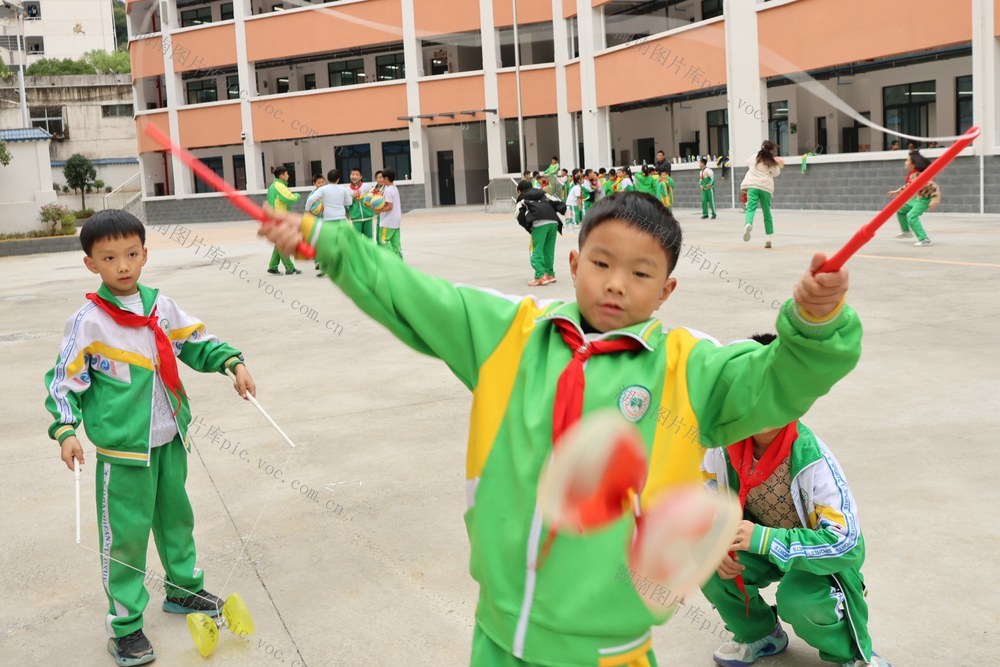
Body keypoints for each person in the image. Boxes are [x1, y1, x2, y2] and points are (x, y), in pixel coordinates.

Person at [259, 191, 860, 666]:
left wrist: (816, 321)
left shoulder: (689, 366)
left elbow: (778, 378)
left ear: (667, 289)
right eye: (601, 263)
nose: (616, 283)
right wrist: (328, 243)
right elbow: (418, 296)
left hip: (606, 648)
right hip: (497, 633)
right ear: (574, 264)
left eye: (640, 273)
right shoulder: (511, 334)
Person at [45, 211, 256, 667]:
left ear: (145, 254)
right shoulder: (88, 323)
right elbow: (64, 382)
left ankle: (183, 590)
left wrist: (231, 363)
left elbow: (195, 341)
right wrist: (65, 430)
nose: (122, 265)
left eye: (131, 254)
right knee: (125, 538)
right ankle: (124, 626)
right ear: (91, 264)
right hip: (123, 453)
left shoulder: (161, 306)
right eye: (109, 257)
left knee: (177, 518)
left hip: (169, 439)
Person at [701, 334, 890, 667]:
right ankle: (760, 633)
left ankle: (851, 654)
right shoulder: (720, 449)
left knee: (799, 600)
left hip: (814, 555)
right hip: (756, 544)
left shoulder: (813, 461)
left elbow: (845, 541)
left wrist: (764, 538)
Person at [516, 179, 566, 285]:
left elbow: (519, 216)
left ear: (519, 191)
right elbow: (556, 201)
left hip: (539, 223)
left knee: (535, 250)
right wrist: (563, 210)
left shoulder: (521, 199)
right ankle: (550, 274)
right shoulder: (542, 193)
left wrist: (529, 227)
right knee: (548, 250)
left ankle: (540, 276)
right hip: (553, 222)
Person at [887, 150, 939, 247]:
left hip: (924, 200)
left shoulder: (919, 175)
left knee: (911, 216)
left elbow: (934, 188)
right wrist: (897, 191)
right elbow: (909, 185)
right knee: (900, 210)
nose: (905, 162)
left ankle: (924, 239)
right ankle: (906, 231)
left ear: (913, 164)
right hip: (916, 198)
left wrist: (934, 201)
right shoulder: (913, 174)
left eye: (907, 160)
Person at [740, 141, 785, 248]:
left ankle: (748, 224)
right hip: (765, 187)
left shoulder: (754, 157)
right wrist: (777, 162)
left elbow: (747, 162)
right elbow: (776, 173)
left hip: (753, 186)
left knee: (750, 208)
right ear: (771, 150)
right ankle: (768, 238)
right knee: (766, 212)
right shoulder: (771, 161)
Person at [266, 166, 301, 274]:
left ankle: (272, 266)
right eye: (286, 174)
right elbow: (289, 198)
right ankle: (290, 268)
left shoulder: (272, 187)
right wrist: (297, 195)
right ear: (281, 175)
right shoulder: (279, 186)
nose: (288, 175)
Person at [377, 168, 403, 258]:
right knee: (396, 244)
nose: (381, 180)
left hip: (387, 222)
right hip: (396, 221)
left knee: (384, 241)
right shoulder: (394, 188)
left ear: (386, 179)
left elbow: (389, 206)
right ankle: (399, 263)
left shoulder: (388, 190)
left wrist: (379, 210)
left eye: (382, 178)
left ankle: (391, 260)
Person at [346, 167, 376, 241]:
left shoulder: (366, 186)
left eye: (357, 175)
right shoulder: (347, 190)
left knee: (369, 241)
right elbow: (346, 204)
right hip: (356, 219)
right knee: (357, 242)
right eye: (353, 174)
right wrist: (352, 197)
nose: (354, 176)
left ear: (360, 177)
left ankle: (368, 253)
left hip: (368, 218)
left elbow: (373, 198)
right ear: (350, 176)